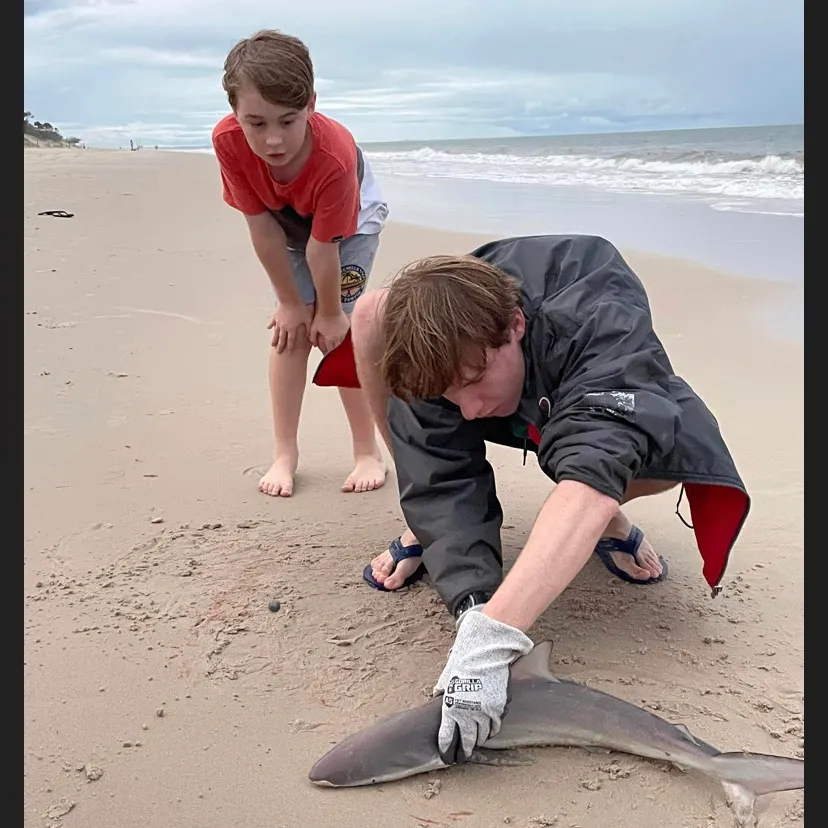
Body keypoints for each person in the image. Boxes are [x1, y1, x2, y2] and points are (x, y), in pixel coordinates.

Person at [324, 233, 750, 765]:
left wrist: (492, 638)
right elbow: (443, 474)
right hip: (511, 382)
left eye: (474, 382)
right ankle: (424, 528)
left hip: (589, 383)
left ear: (515, 325)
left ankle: (603, 523)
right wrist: (475, 606)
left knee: (666, 451)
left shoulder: (600, 317)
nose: (471, 410)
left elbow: (598, 465)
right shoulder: (435, 355)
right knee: (372, 320)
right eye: (450, 395)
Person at [211, 30, 389, 498]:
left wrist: (329, 312)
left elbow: (322, 247)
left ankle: (366, 449)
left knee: (336, 331)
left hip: (348, 227)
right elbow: (262, 228)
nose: (273, 140)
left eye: (288, 121)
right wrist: (291, 303)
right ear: (234, 112)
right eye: (256, 123)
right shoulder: (228, 141)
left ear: (311, 104)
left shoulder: (334, 154)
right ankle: (285, 453)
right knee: (290, 332)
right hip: (282, 220)